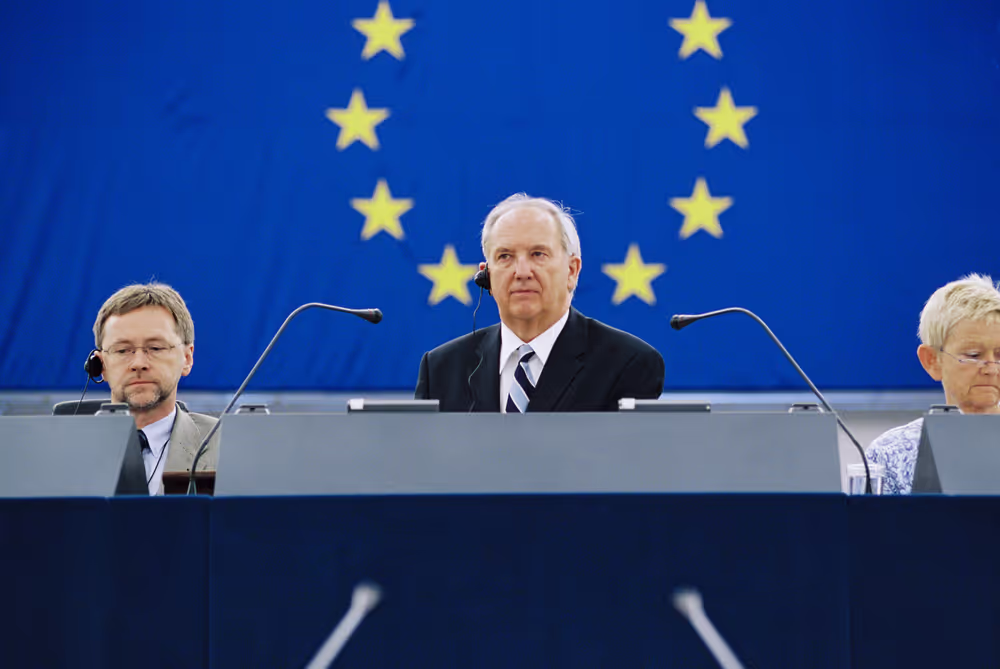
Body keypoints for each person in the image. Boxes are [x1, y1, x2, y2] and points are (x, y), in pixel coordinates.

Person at [415, 193, 664, 412]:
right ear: (486, 275)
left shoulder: (627, 363)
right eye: (505, 256)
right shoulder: (441, 369)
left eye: (538, 254)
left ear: (572, 270)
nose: (522, 272)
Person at [866, 274, 1000, 494]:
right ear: (932, 361)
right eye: (974, 355)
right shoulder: (890, 455)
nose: (992, 368)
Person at [92, 283, 219, 494]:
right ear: (100, 365)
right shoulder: (61, 451)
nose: (139, 363)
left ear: (187, 359)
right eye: (123, 350)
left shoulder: (226, 447)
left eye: (155, 348)